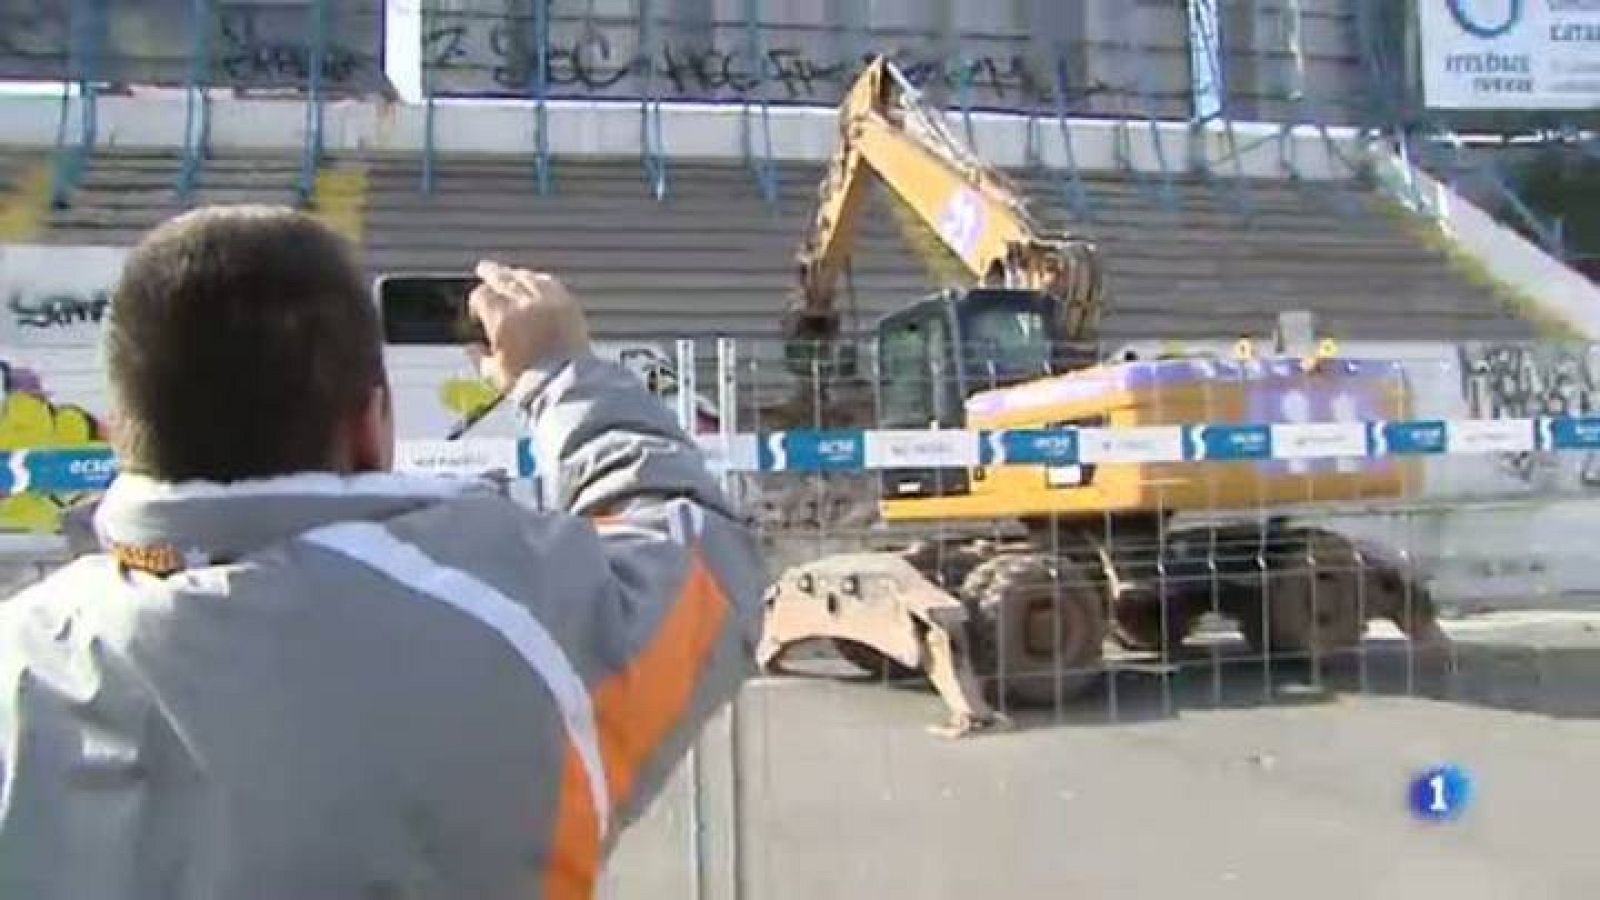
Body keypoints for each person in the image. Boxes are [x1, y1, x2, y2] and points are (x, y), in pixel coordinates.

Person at [0, 206, 768, 900]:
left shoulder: (20, 654)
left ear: (117, 427)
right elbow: (701, 550)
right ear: (370, 423)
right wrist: (559, 372)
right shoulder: (512, 617)